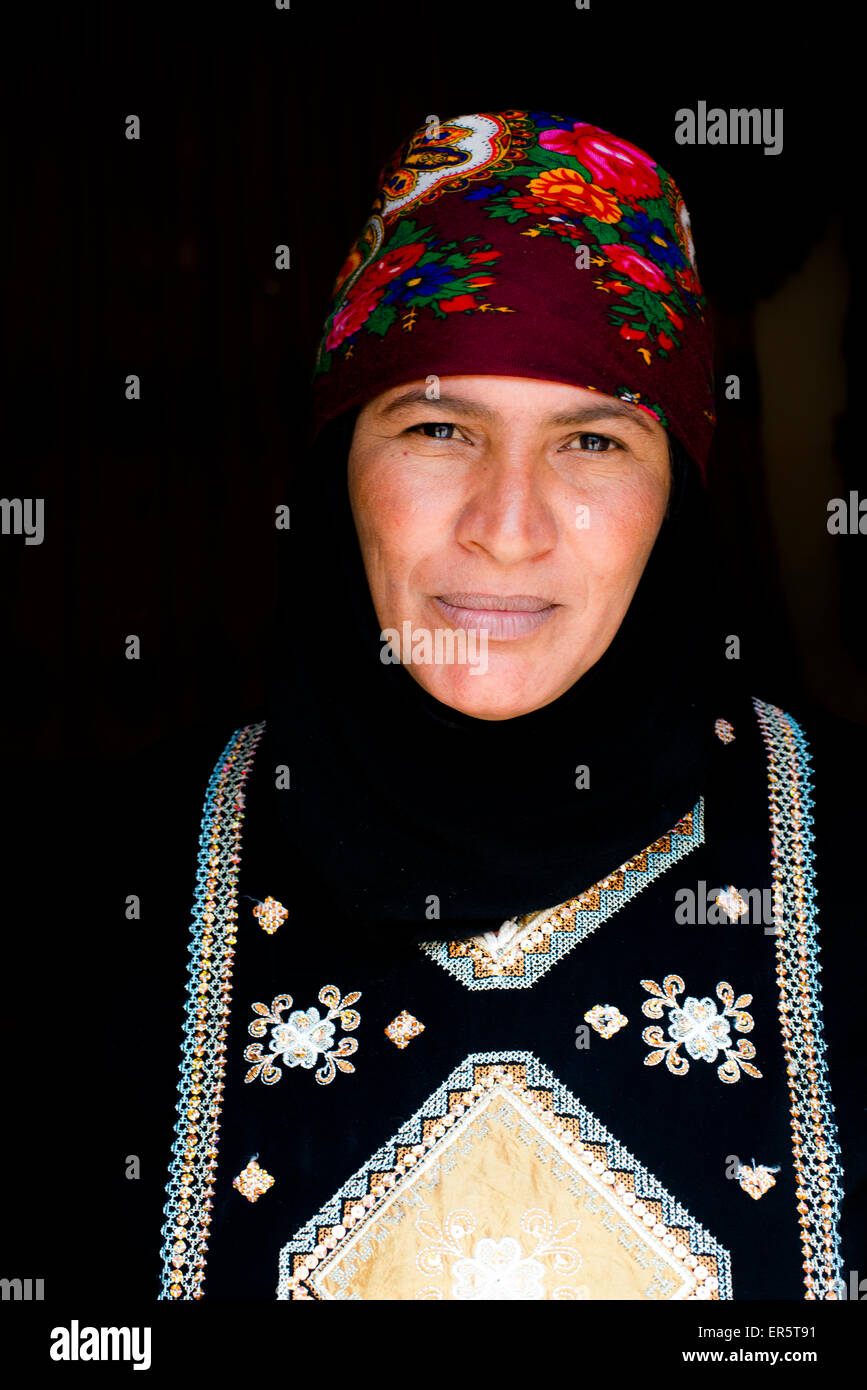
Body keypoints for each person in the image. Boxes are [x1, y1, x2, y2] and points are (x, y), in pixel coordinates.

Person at [123, 110, 863, 1301]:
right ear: (337, 465)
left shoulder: (845, 860)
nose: (506, 528)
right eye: (435, 426)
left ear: (677, 489)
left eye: (592, 441)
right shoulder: (99, 884)